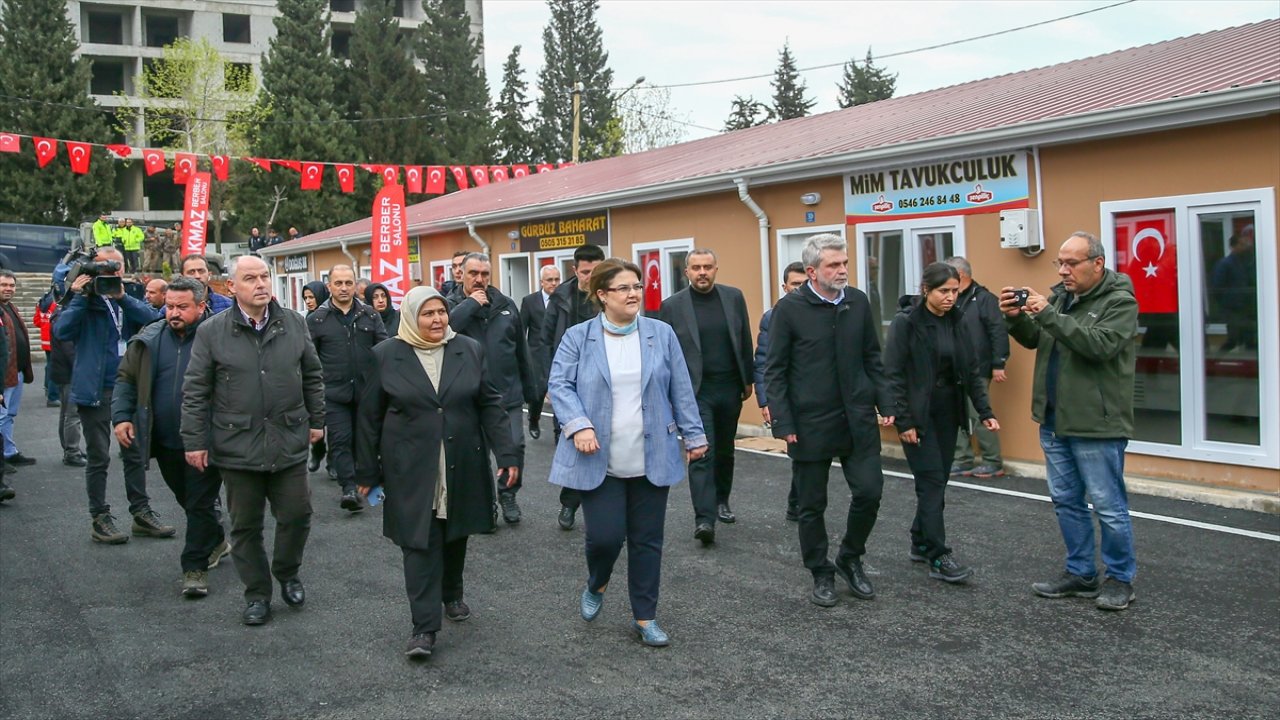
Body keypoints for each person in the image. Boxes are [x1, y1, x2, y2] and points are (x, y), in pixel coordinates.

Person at [547, 259, 707, 648]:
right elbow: (560, 385)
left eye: (637, 286)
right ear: (602, 295)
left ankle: (645, 616)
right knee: (604, 537)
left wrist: (695, 434)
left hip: (652, 455)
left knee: (647, 541)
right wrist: (578, 424)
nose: (634, 293)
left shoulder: (660, 334)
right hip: (599, 458)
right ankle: (597, 581)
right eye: (624, 288)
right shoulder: (578, 337)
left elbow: (681, 388)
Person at [355, 286, 520, 659]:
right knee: (419, 541)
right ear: (412, 317)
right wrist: (367, 472)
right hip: (410, 467)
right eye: (427, 314)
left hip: (462, 459)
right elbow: (369, 419)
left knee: (455, 531)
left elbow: (491, 405)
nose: (437, 320)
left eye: (441, 313)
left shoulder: (468, 349)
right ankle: (424, 628)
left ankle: (452, 592)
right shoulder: (386, 355)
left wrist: (507, 454)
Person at [181, 255, 325, 626]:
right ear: (232, 287)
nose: (261, 283)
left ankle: (287, 571)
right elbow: (196, 391)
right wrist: (194, 441)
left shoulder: (293, 323)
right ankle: (257, 594)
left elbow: (312, 375)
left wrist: (317, 420)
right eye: (250, 278)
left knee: (297, 515)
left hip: (288, 438)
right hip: (237, 445)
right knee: (245, 527)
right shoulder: (212, 331)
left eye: (264, 276)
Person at [1002, 231, 1140, 612]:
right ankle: (1080, 573)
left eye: (1071, 263)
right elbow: (1038, 339)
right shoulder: (1062, 297)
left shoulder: (1119, 301)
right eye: (1059, 263)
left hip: (1096, 423)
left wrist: (1048, 313)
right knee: (1066, 502)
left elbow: (1098, 346)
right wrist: (1016, 318)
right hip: (1054, 419)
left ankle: (1120, 579)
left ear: (1097, 263)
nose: (1063, 270)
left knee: (1108, 505)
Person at [763, 234, 895, 608]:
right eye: (833, 265)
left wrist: (885, 400)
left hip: (857, 418)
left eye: (844, 264)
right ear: (811, 271)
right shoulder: (789, 310)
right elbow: (775, 370)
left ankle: (850, 558)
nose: (842, 271)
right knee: (811, 505)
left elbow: (873, 356)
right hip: (809, 423)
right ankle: (820, 570)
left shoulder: (857, 302)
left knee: (870, 492)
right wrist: (783, 422)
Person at [113, 277, 230, 598]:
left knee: (199, 501)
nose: (173, 312)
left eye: (182, 307)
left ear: (201, 307)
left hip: (208, 441)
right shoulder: (149, 339)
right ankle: (217, 537)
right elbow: (125, 379)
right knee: (190, 501)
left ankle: (194, 569)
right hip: (164, 441)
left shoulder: (218, 340)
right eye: (169, 306)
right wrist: (122, 417)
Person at [883, 262, 999, 584]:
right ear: (926, 290)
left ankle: (920, 540)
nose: (950, 298)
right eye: (943, 291)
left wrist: (985, 412)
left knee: (939, 480)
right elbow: (892, 375)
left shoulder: (957, 322)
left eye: (954, 291)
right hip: (918, 416)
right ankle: (938, 554)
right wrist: (903, 419)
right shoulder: (906, 323)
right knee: (931, 480)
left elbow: (973, 373)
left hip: (948, 412)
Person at [53, 246, 172, 544]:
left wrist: (122, 296)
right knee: (98, 456)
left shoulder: (125, 294)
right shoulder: (84, 298)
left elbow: (153, 318)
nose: (112, 272)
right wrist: (80, 297)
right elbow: (62, 331)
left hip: (128, 387)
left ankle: (141, 512)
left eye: (116, 266)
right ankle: (100, 516)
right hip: (95, 389)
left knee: (134, 452)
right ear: (93, 270)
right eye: (106, 268)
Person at [658, 249, 753, 545]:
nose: (702, 272)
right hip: (695, 392)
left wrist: (748, 379)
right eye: (696, 267)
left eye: (708, 267)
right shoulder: (671, 306)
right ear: (686, 271)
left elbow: (744, 338)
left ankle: (722, 500)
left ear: (715, 269)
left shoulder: (733, 297)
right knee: (701, 452)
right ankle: (704, 519)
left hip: (729, 387)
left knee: (725, 450)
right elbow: (664, 353)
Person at [446, 253, 538, 526]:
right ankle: (487, 503)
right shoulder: (449, 305)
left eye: (485, 274)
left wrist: (532, 395)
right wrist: (470, 305)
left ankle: (508, 494)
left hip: (505, 394)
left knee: (514, 446)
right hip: (467, 396)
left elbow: (521, 352)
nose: (480, 279)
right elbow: (444, 330)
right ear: (460, 274)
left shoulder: (506, 305)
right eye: (473, 273)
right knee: (477, 455)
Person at [307, 265, 387, 513]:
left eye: (348, 283)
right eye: (338, 283)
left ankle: (370, 485)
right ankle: (349, 488)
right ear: (329, 285)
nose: (343, 288)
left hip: (367, 393)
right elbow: (309, 360)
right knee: (341, 440)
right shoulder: (317, 319)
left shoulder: (370, 315)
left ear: (356, 286)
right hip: (334, 393)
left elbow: (384, 350)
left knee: (367, 442)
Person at [541, 243, 606, 530]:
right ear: (574, 270)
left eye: (596, 271)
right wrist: (549, 383)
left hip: (602, 383)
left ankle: (597, 505)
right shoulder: (560, 299)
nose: (591, 278)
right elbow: (544, 342)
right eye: (585, 272)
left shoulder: (608, 296)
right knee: (570, 445)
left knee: (601, 445)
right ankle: (569, 504)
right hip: (567, 385)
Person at [944, 256, 1010, 478]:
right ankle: (962, 459)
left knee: (980, 413)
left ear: (960, 275)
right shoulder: (953, 299)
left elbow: (998, 331)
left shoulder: (984, 299)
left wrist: (999, 363)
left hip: (977, 368)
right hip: (954, 368)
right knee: (956, 415)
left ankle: (993, 461)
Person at [752, 261, 807, 520]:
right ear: (785, 287)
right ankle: (797, 504)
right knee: (801, 452)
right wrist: (766, 401)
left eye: (805, 283)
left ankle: (801, 502)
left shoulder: (825, 312)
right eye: (795, 284)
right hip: (788, 397)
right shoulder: (773, 318)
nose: (800, 289)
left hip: (816, 397)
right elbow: (763, 360)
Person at [0, 270, 36, 468]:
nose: (8, 289)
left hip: (18, 371)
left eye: (11, 285)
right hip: (4, 374)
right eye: (4, 285)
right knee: (2, 416)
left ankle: (8, 451)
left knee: (9, 415)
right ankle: (3, 456)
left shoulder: (10, 308)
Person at [519, 264, 560, 440]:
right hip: (536, 354)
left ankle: (558, 429)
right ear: (542, 282)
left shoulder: (564, 300)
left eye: (557, 279)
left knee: (559, 391)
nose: (554, 283)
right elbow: (522, 329)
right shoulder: (530, 301)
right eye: (550, 280)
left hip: (558, 351)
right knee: (538, 391)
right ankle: (533, 418)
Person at [48, 297, 86, 467]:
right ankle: (72, 451)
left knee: (67, 413)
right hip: (70, 373)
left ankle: (70, 448)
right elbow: (69, 349)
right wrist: (81, 371)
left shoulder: (60, 313)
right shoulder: (65, 316)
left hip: (64, 371)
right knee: (72, 414)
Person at [1211, 229, 1257, 352]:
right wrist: (1227, 304)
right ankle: (1214, 362)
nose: (1245, 247)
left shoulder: (1244, 262)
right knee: (1233, 339)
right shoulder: (1225, 264)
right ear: (1233, 246)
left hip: (1244, 308)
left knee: (1249, 339)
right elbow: (1217, 287)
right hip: (1232, 309)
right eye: (1241, 244)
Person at [301, 280, 330, 475]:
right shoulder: (305, 321)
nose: (309, 301)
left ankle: (335, 463)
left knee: (336, 425)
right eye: (306, 298)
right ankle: (318, 451)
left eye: (312, 297)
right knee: (317, 420)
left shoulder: (329, 317)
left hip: (331, 375)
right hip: (313, 377)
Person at [34, 289, 60, 407]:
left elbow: (37, 322)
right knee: (55, 367)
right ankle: (53, 395)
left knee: (49, 364)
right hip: (55, 339)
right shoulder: (57, 304)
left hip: (45, 339)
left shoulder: (42, 303)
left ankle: (47, 387)